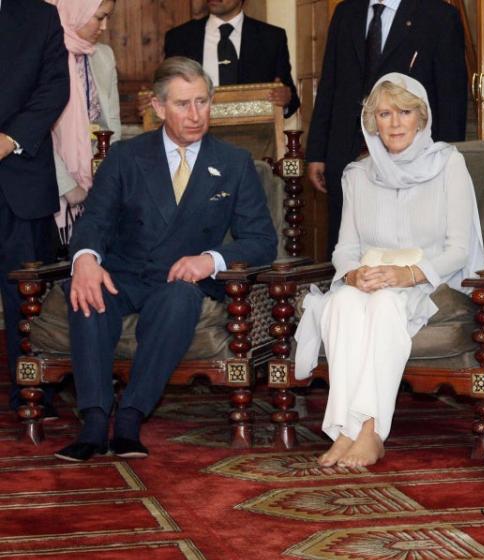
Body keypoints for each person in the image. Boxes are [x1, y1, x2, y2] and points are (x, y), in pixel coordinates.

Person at [55, 57, 277, 462]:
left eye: (202, 102)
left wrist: (211, 259)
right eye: (182, 104)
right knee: (85, 291)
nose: (195, 115)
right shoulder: (125, 156)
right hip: (123, 274)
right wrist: (85, 259)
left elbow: (262, 240)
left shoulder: (233, 163)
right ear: (157, 108)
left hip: (180, 282)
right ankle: (93, 418)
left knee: (180, 299)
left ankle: (130, 418)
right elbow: (95, 223)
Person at [294, 72, 483, 469]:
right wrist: (351, 275)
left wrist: (409, 274)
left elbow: (458, 249)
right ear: (371, 122)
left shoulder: (449, 164)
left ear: (422, 118)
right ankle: (346, 427)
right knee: (342, 304)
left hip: (431, 281)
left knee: (384, 307)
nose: (395, 122)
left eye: (404, 111)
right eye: (384, 113)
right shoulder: (357, 175)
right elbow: (345, 248)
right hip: (373, 277)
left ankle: (370, 432)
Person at [305, 0, 468, 258]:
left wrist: (444, 155)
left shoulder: (438, 15)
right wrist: (317, 151)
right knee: (345, 244)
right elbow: (329, 84)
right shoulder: (346, 12)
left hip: (412, 160)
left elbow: (451, 96)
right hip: (346, 152)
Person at [0, 0, 69, 415]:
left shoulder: (40, 15)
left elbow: (54, 87)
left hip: (20, 178)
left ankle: (32, 393)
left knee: (26, 297)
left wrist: (9, 140)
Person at [48, 0, 121, 255]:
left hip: (98, 175)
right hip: (51, 183)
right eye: (99, 17)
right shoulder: (43, 53)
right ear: (75, 9)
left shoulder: (103, 55)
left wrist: (111, 176)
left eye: (108, 18)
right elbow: (37, 131)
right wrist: (67, 186)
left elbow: (112, 122)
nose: (104, 26)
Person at [163, 0, 299, 118]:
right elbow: (166, 93)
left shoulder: (271, 38)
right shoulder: (179, 38)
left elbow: (291, 99)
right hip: (194, 140)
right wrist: (147, 103)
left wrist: (285, 99)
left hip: (253, 141)